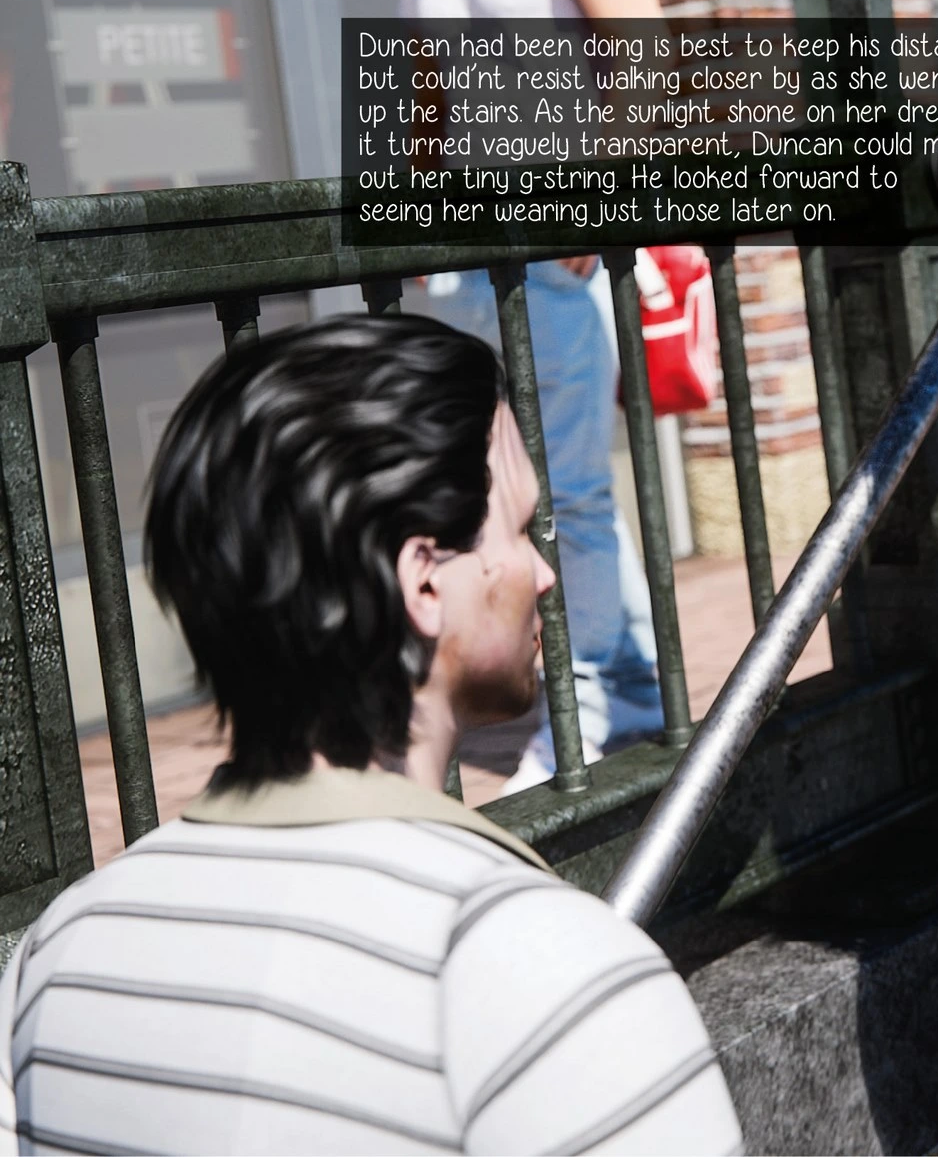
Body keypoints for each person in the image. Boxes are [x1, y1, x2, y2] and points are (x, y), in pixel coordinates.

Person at [0, 315, 742, 1155]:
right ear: (424, 582)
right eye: (518, 530)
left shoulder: (56, 954)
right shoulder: (550, 969)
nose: (543, 573)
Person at [364, 0, 665, 784]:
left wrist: (598, 201)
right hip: (471, 272)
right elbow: (426, 122)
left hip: (560, 264)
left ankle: (584, 700)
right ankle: (634, 682)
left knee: (566, 490)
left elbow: (642, 58)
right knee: (518, 488)